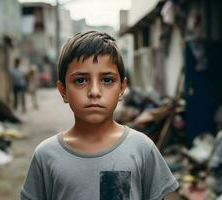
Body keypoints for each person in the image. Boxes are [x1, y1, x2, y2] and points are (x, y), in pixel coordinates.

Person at [21, 31, 179, 200]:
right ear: (63, 91)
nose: (94, 92)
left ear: (122, 88)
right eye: (80, 80)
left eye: (107, 80)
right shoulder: (46, 155)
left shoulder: (142, 148)